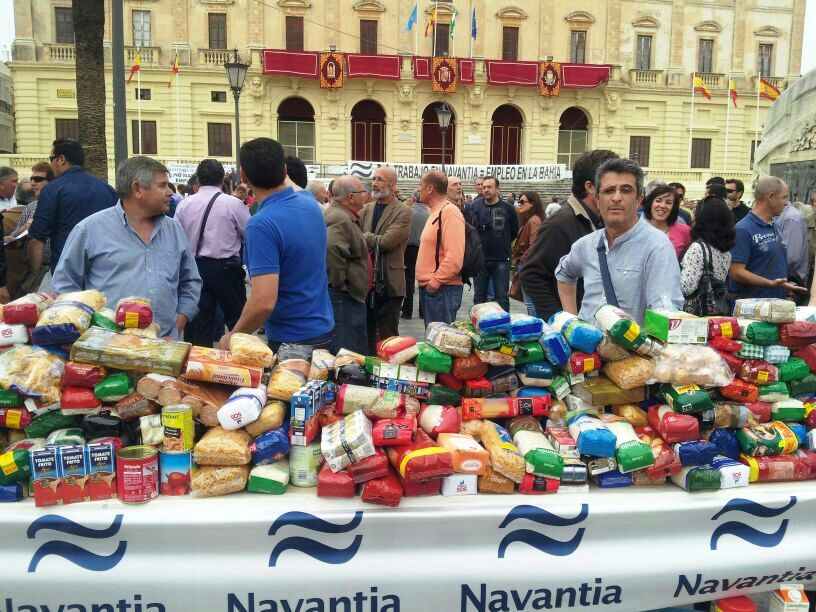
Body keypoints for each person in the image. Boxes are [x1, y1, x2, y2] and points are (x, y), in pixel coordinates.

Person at [52, 156, 202, 339]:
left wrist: (179, 323)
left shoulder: (174, 229)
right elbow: (65, 285)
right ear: (137, 189)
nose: (170, 192)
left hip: (165, 347)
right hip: (108, 350)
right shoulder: (89, 230)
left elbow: (191, 281)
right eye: (162, 185)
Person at [219, 138, 334, 351]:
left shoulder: (261, 224)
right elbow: (292, 186)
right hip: (323, 329)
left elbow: (263, 301)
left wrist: (233, 336)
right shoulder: (309, 202)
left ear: (243, 176)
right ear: (284, 171)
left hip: (292, 340)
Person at [555, 158, 683, 325]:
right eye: (608, 191)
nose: (616, 198)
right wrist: (571, 321)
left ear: (639, 199)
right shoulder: (586, 245)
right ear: (597, 199)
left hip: (630, 350)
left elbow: (665, 313)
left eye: (626, 190)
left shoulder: (657, 246)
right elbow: (564, 273)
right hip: (585, 349)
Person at [520, 149, 619, 321]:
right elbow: (531, 275)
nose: (617, 196)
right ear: (590, 187)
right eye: (611, 187)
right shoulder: (561, 223)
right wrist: (562, 320)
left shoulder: (599, 219)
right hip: (574, 332)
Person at [174, 158, 250, 347]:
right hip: (225, 268)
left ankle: (196, 367)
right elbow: (250, 232)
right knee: (238, 322)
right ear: (222, 179)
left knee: (198, 322)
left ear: (198, 179)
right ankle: (240, 363)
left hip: (194, 267)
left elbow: (175, 237)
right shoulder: (232, 204)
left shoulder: (185, 204)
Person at [28, 138, 118, 276]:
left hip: (67, 273)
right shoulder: (107, 189)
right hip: (105, 271)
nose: (51, 163)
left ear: (61, 159)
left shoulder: (53, 190)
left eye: (51, 158)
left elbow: (37, 239)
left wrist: (34, 275)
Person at [360, 166, 411, 354]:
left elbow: (388, 242)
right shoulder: (366, 209)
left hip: (389, 283)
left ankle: (389, 376)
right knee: (366, 334)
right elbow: (362, 239)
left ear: (393, 184)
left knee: (389, 337)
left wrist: (364, 237)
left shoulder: (403, 211)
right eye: (374, 179)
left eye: (380, 179)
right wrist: (372, 238)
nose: (374, 183)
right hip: (366, 282)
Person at [729, 176, 806, 300]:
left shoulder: (775, 226)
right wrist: (770, 284)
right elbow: (736, 272)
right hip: (752, 307)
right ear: (770, 197)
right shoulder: (743, 229)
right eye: (784, 197)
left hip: (775, 305)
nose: (786, 202)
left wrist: (786, 291)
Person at [324, 175, 370, 355]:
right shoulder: (340, 217)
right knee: (348, 348)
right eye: (362, 192)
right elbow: (332, 249)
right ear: (351, 197)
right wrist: (340, 283)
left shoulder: (342, 215)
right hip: (345, 295)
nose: (365, 195)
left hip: (348, 293)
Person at [416, 170, 465, 326]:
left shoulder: (449, 212)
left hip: (442, 290)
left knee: (439, 344)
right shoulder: (435, 211)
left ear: (430, 188)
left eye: (420, 186)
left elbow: (455, 257)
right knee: (434, 341)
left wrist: (435, 283)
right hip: (435, 290)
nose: (419, 189)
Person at [471, 176, 518, 312]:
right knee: (479, 296)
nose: (485, 190)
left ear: (498, 189)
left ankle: (502, 328)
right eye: (484, 187)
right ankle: (478, 325)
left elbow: (514, 230)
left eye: (489, 187)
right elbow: (472, 228)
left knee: (501, 297)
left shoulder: (508, 208)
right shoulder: (475, 205)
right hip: (480, 258)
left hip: (501, 258)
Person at [680, 199, 735, 304]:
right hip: (716, 307)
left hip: (696, 310)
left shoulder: (698, 248)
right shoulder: (726, 252)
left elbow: (687, 287)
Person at [512, 192, 545, 316]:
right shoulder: (530, 219)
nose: (519, 204)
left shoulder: (533, 220)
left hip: (527, 264)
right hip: (527, 263)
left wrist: (521, 259)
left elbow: (534, 245)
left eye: (522, 202)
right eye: (519, 201)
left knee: (530, 301)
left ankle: (535, 327)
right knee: (529, 301)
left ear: (532, 204)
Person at [643, 185, 692, 258]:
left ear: (673, 207)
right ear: (651, 204)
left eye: (668, 202)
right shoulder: (638, 229)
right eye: (658, 200)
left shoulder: (685, 231)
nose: (662, 206)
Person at [402, 189, 429, 320]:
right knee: (423, 280)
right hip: (423, 248)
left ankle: (407, 311)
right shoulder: (429, 213)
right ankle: (423, 311)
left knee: (408, 280)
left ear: (413, 198)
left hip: (408, 249)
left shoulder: (408, 212)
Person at [777, 198, 808, 290]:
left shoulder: (790, 218)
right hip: (781, 281)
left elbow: (790, 257)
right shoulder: (782, 215)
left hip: (788, 282)